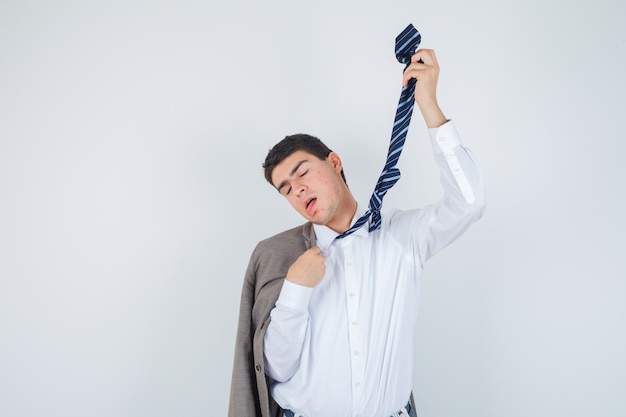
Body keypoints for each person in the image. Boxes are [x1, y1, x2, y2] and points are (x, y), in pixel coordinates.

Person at [228, 48, 486, 417]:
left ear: (334, 162)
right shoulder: (278, 255)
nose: (296, 189)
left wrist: (428, 103)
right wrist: (295, 291)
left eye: (301, 172)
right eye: (285, 188)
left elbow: (470, 202)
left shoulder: (401, 235)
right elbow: (274, 369)